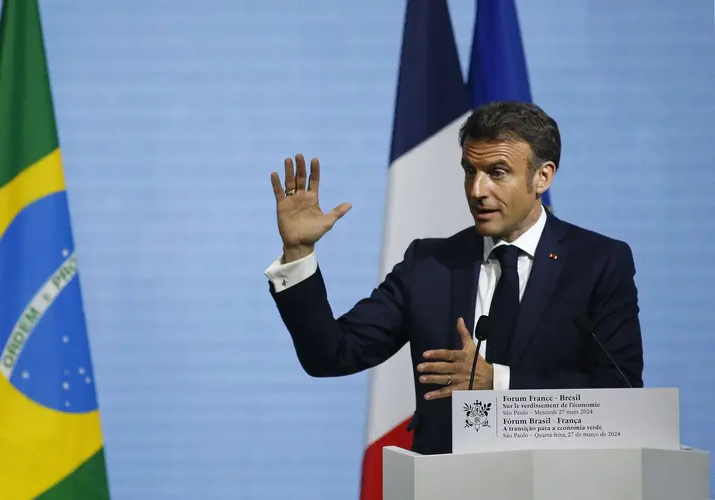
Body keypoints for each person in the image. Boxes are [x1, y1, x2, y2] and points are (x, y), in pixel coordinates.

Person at [264, 101, 643, 455]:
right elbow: (331, 354)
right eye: (469, 171)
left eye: (497, 173)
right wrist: (299, 253)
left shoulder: (597, 263)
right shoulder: (429, 264)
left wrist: (499, 383)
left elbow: (619, 393)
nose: (477, 191)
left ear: (542, 177)